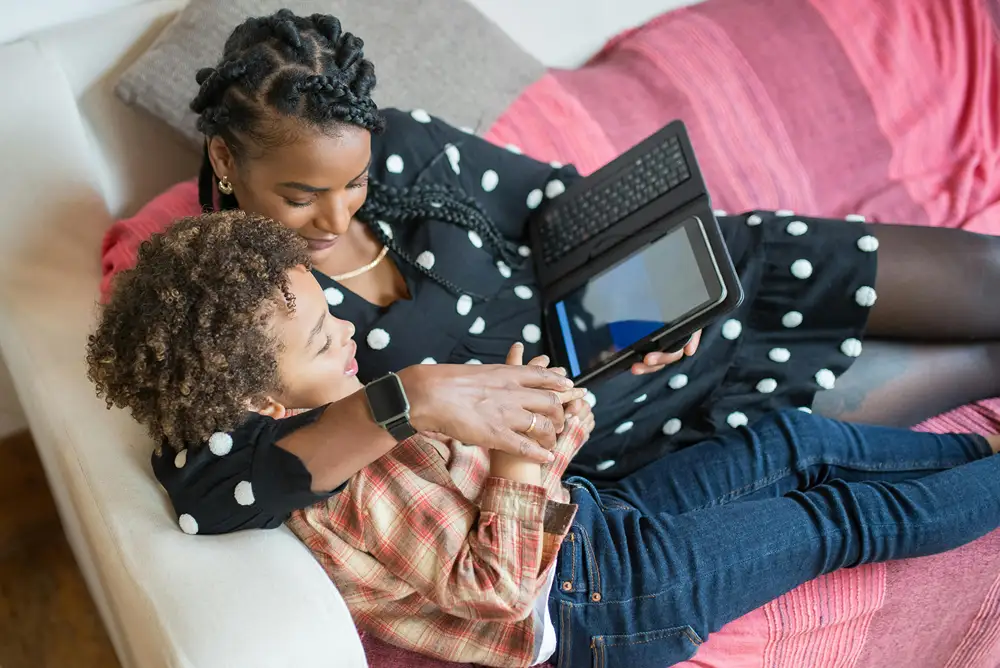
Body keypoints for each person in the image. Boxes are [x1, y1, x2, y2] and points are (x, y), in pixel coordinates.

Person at [99, 9, 1000, 537]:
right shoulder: (221, 292)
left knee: (985, 276)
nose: (338, 219)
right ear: (223, 157)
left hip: (638, 312)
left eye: (355, 183)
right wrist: (402, 400)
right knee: (982, 364)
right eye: (300, 197)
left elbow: (555, 203)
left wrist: (656, 298)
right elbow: (205, 489)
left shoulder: (407, 148)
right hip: (608, 426)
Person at [88, 211, 1000, 667]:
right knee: (832, 522)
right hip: (601, 608)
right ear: (254, 396)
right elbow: (498, 588)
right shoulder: (349, 484)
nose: (348, 332)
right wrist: (527, 458)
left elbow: (497, 491)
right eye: (325, 339)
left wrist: (544, 431)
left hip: (594, 530)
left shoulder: (325, 409)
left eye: (329, 311)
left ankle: (981, 462)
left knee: (788, 439)